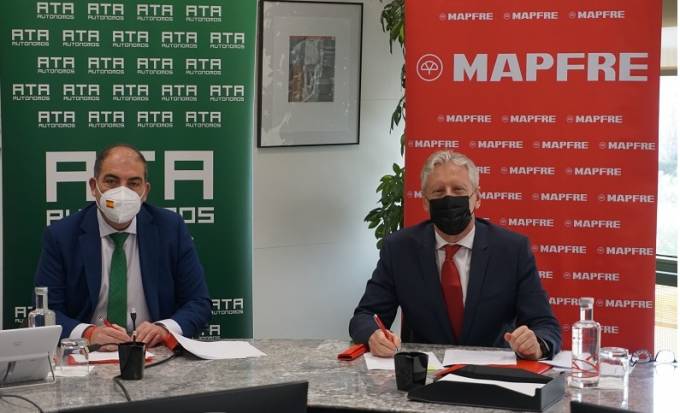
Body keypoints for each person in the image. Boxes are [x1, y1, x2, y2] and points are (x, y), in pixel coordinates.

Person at [349, 151, 561, 359]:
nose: (449, 198)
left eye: (458, 190)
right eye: (438, 192)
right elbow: (365, 316)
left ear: (477, 197)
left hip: (492, 372)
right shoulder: (399, 249)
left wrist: (536, 344)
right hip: (425, 372)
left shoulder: (512, 250)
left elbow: (545, 326)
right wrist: (373, 335)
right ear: (425, 202)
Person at [34, 144, 212, 348]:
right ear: (93, 187)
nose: (122, 191)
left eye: (133, 183)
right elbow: (46, 312)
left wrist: (164, 329)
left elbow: (199, 303)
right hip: (89, 352)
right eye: (111, 181)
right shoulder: (62, 236)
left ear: (145, 191)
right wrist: (89, 333)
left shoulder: (171, 228)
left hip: (151, 352)